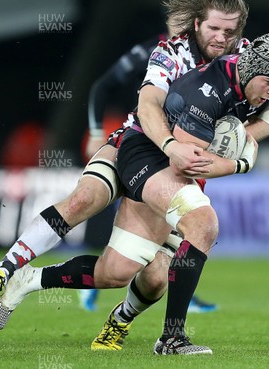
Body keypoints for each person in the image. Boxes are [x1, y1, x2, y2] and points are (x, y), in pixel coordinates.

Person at [0, 33, 269, 356]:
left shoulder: (247, 78)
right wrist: (243, 162)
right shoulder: (205, 87)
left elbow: (258, 120)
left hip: (171, 165)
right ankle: (172, 338)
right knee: (203, 225)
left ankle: (32, 279)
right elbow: (195, 162)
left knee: (125, 274)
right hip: (149, 156)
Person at [0, 0, 250, 306]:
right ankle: (3, 270)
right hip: (139, 143)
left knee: (135, 274)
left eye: (228, 30)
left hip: (176, 170)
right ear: (197, 23)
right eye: (213, 27)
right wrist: (99, 132)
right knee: (82, 199)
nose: (220, 37)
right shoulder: (165, 51)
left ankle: (116, 320)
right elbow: (131, 98)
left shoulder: (246, 59)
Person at [79, 30, 218, 314]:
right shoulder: (153, 50)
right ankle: (101, 276)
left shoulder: (212, 56)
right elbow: (102, 86)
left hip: (173, 144)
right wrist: (95, 131)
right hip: (140, 137)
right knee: (135, 216)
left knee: (172, 220)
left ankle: (173, 284)